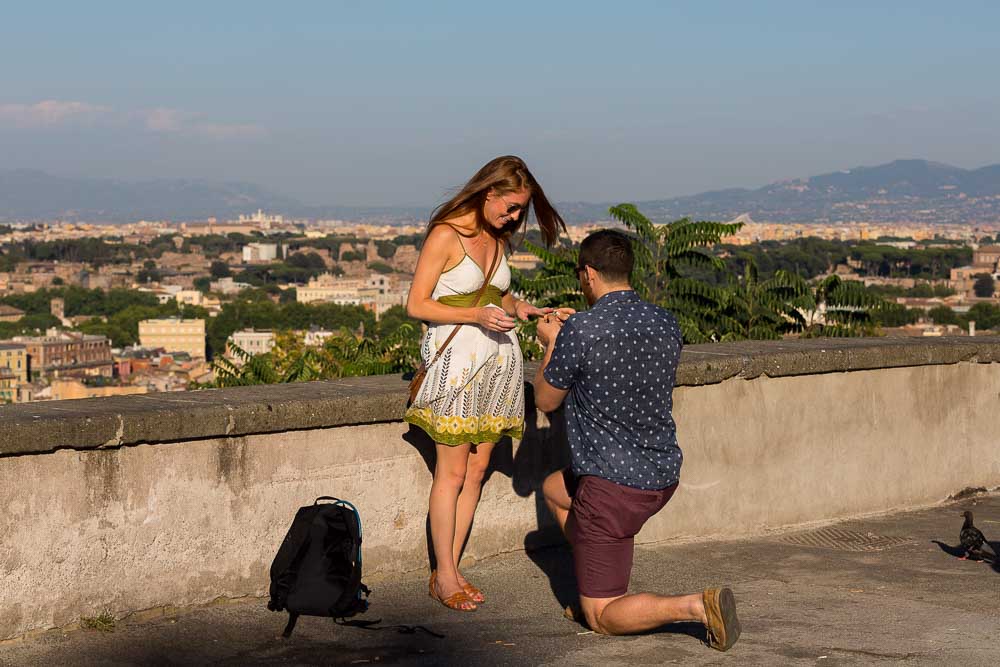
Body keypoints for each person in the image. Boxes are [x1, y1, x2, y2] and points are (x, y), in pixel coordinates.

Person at [532, 229, 741, 651]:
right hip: (661, 475)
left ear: (588, 275)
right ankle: (596, 575)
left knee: (603, 618)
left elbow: (545, 399)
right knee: (554, 491)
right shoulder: (665, 321)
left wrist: (553, 342)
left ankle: (696, 606)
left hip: (611, 487)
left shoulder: (583, 331)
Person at [405, 155, 568, 612]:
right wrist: (473, 315)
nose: (515, 217)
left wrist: (525, 310)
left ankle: (449, 568)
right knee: (452, 472)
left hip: (497, 365)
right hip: (458, 367)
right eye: (512, 207)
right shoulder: (446, 234)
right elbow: (417, 304)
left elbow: (499, 295)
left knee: (476, 471)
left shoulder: (498, 240)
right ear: (488, 191)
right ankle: (445, 574)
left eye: (521, 211)